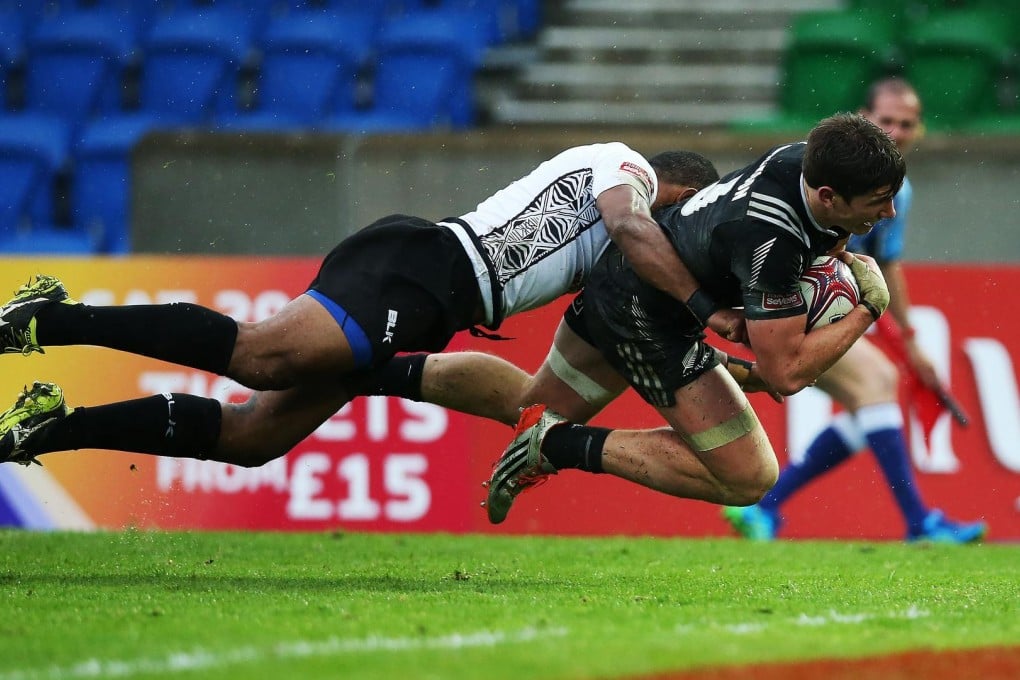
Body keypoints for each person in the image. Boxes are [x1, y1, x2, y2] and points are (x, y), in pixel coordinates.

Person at [0, 144, 728, 468]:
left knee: (253, 439)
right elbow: (635, 226)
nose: (679, 233)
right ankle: (50, 318)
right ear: (677, 188)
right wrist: (704, 299)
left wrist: (716, 362)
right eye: (685, 215)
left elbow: (633, 322)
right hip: (420, 267)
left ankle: (48, 429)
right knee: (262, 358)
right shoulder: (625, 170)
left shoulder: (625, 255)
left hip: (436, 301)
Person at [363, 113, 900, 525]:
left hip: (624, 284)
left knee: (530, 408)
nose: (890, 213)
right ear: (828, 196)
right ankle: (559, 447)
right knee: (749, 477)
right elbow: (786, 373)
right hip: (650, 317)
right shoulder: (772, 240)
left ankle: (372, 371)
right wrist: (868, 308)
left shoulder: (805, 162)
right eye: (880, 201)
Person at [722, 78, 988, 543]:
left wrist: (909, 340)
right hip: (784, 305)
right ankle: (919, 523)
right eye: (887, 121)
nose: (897, 131)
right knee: (878, 386)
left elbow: (885, 267)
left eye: (907, 124)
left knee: (869, 407)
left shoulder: (896, 194)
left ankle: (766, 506)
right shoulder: (829, 174)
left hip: (822, 309)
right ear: (865, 118)